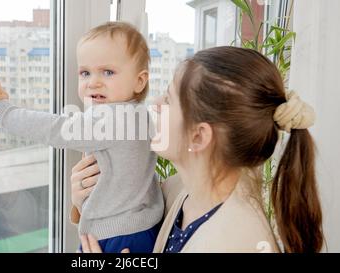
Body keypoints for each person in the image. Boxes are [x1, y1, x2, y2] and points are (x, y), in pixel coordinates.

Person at [72, 46, 324, 253]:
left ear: (199, 135)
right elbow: (127, 212)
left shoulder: (233, 241)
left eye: (169, 99)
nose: (156, 104)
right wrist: (85, 198)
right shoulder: (185, 191)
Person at [0, 22, 163, 253]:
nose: (93, 81)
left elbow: (55, 128)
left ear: (139, 81)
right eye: (85, 72)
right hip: (137, 230)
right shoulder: (138, 115)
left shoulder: (115, 119)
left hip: (118, 237)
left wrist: (4, 112)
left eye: (108, 72)